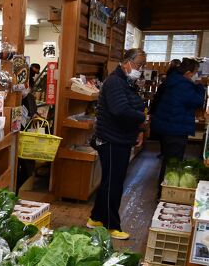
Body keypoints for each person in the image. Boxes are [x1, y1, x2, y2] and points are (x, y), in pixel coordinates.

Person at [87, 48, 147, 240]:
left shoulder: (127, 82)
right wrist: (142, 118)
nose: (140, 69)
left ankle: (96, 218)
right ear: (127, 62)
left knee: (110, 181)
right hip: (111, 140)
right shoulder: (115, 82)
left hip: (120, 138)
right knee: (114, 183)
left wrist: (139, 129)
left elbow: (133, 107)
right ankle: (111, 225)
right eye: (139, 65)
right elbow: (120, 110)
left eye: (142, 66)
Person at [152, 58, 207, 188]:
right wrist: (199, 86)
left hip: (168, 125)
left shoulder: (174, 80)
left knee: (168, 160)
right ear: (188, 73)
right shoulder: (183, 85)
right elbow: (197, 101)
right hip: (175, 128)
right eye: (196, 73)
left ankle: (163, 189)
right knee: (173, 162)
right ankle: (165, 191)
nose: (197, 76)